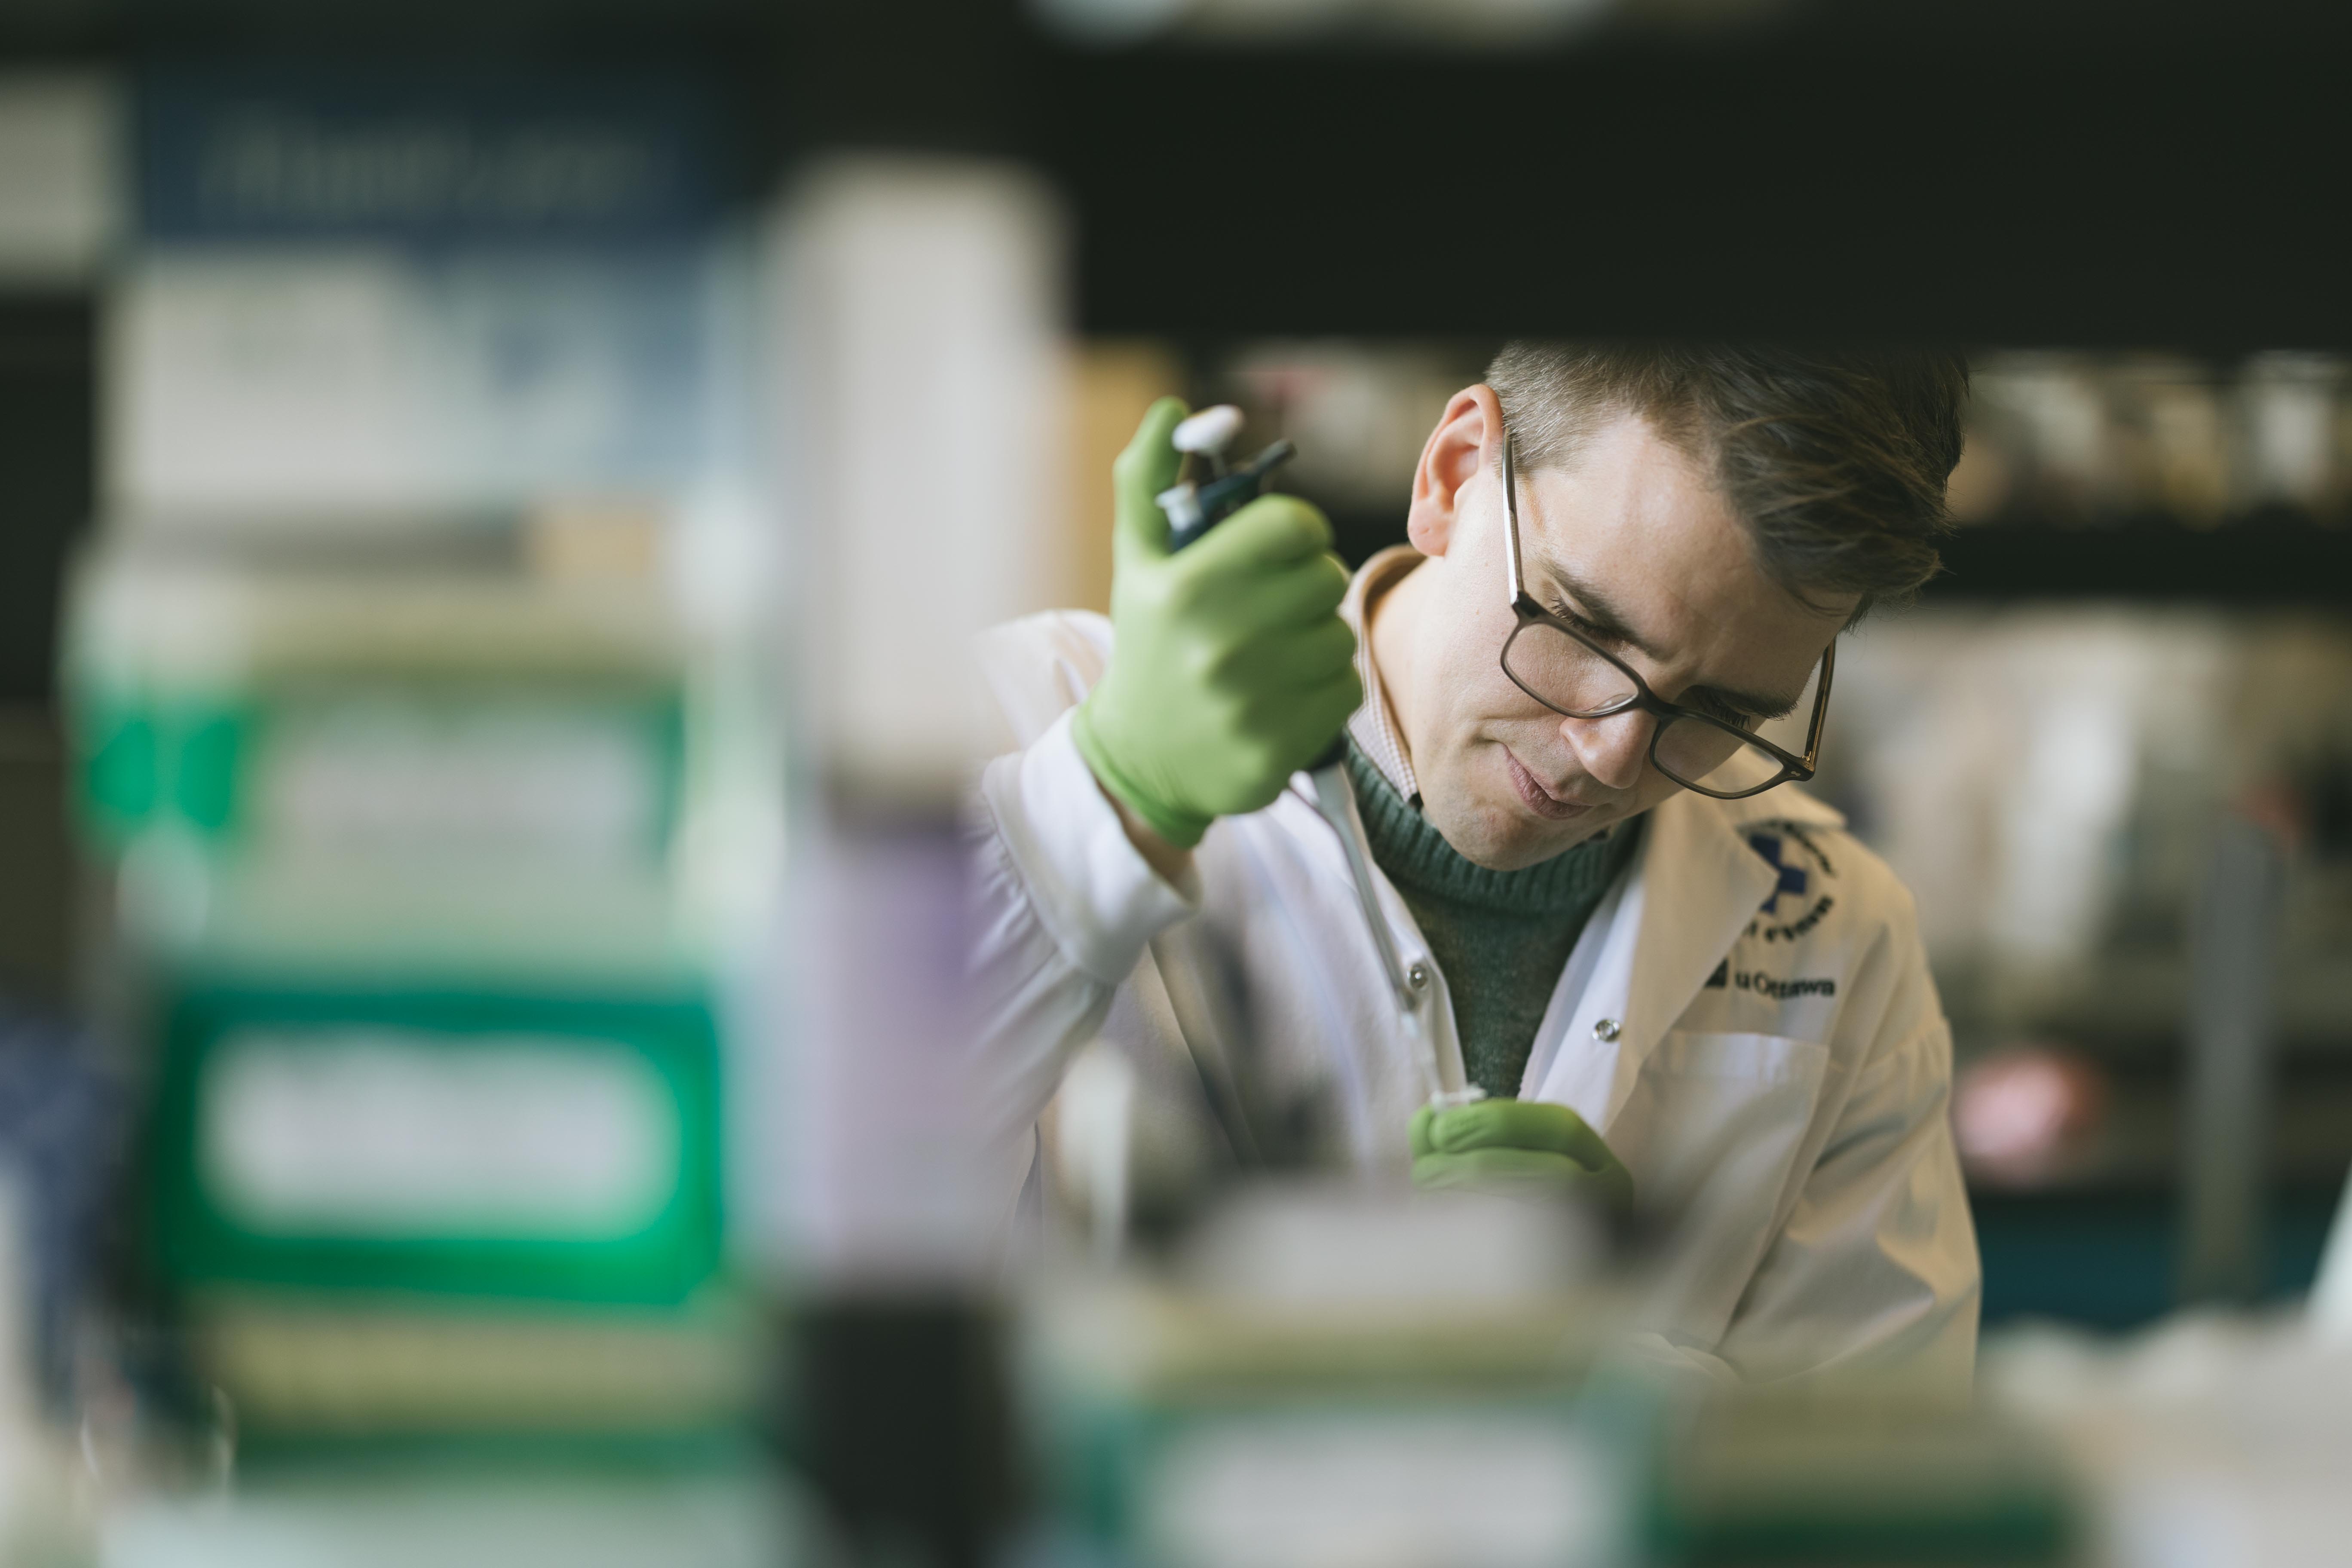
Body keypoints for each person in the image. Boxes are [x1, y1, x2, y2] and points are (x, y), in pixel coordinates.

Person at [971, 343, 1979, 1392]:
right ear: (1453, 474)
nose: (1611, 753)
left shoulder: (1835, 928)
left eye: (1726, 710)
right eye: (1584, 625)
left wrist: (1609, 1359)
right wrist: (1111, 803)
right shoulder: (1023, 716)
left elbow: (1880, 1466)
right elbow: (833, 1209)